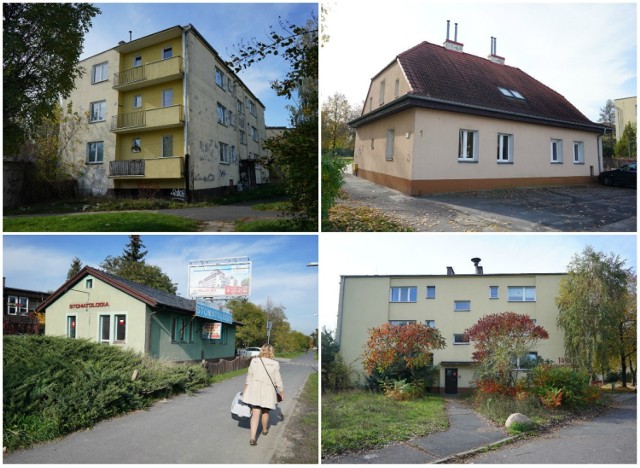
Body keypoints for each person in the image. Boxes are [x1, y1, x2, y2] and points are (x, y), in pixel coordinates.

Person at [242, 344, 284, 446]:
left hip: (255, 389)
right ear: (271, 352)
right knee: (265, 411)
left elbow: (249, 377)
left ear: (262, 350)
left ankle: (252, 438)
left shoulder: (254, 361)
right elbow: (277, 379)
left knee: (255, 413)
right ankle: (265, 430)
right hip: (268, 390)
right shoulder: (275, 364)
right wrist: (281, 391)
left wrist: (245, 391)